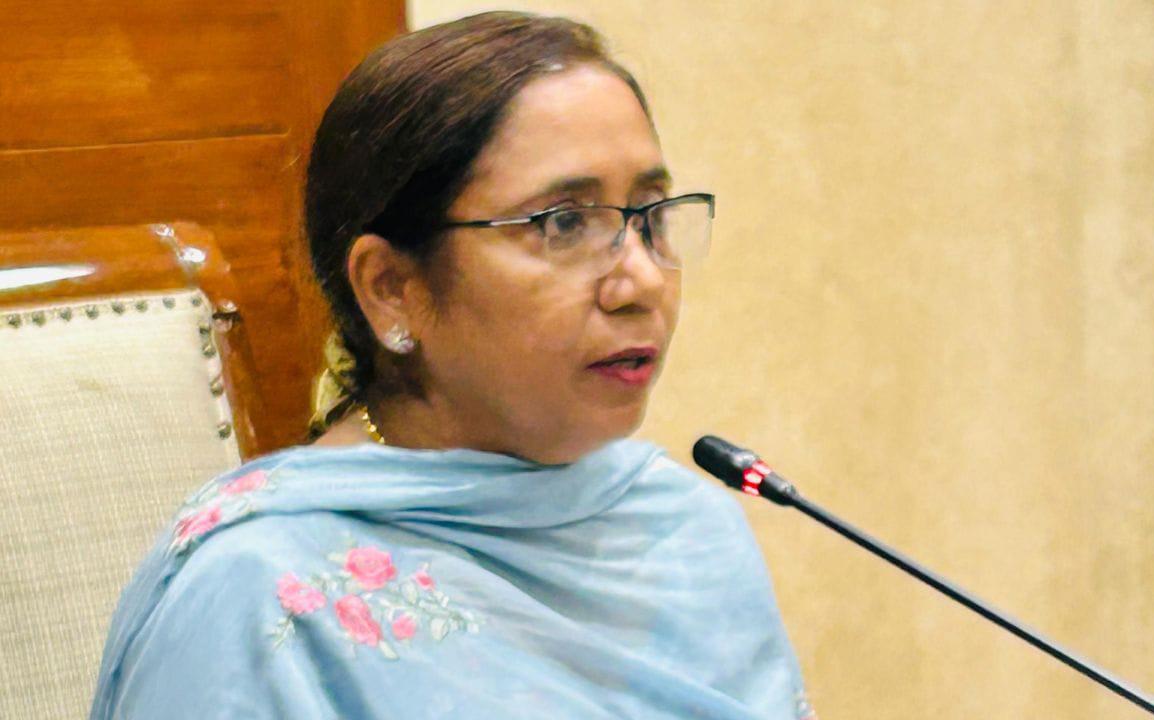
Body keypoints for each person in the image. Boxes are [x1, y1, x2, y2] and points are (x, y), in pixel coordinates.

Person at [90, 11, 814, 720]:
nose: (644, 283)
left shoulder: (686, 530)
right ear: (392, 288)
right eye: (564, 223)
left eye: (651, 215)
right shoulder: (259, 599)